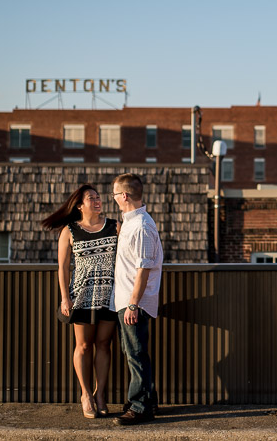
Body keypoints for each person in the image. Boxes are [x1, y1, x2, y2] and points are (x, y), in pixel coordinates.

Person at [41, 184, 118, 419]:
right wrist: (65, 297)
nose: (97, 200)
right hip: (82, 296)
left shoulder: (115, 226)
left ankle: (100, 395)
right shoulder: (70, 231)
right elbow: (62, 268)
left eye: (98, 197)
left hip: (110, 295)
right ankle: (85, 394)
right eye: (91, 198)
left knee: (104, 345)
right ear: (79, 205)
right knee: (83, 346)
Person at [110, 173, 163, 426]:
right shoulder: (132, 224)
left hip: (135, 304)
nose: (113, 199)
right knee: (133, 352)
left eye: (114, 195)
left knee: (136, 353)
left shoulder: (141, 226)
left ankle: (140, 407)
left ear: (124, 196)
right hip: (127, 301)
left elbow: (143, 269)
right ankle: (147, 400)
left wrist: (133, 304)